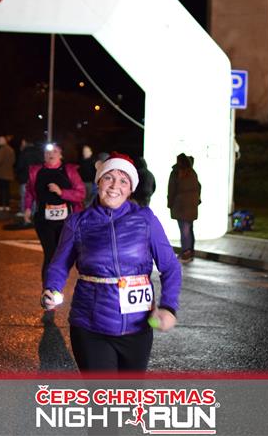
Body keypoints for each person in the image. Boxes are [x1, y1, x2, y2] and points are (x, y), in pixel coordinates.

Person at [42, 152, 181, 371]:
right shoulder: (77, 222)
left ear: (131, 189)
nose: (115, 185)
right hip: (90, 327)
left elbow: (170, 266)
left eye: (124, 181)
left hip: (137, 328)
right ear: (98, 181)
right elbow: (59, 264)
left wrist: (169, 307)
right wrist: (51, 289)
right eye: (108, 177)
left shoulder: (145, 219)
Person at [24, 143, 85, 283]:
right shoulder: (36, 171)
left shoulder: (69, 171)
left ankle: (57, 284)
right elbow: (29, 191)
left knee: (62, 255)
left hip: (66, 222)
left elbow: (81, 194)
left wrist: (61, 192)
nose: (51, 154)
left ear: (61, 155)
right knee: (50, 254)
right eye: (48, 152)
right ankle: (48, 289)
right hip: (44, 221)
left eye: (55, 151)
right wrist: (27, 208)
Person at [167, 153, 201, 264]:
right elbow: (198, 187)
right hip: (192, 205)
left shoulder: (176, 173)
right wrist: (197, 200)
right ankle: (190, 251)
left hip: (181, 205)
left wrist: (170, 203)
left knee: (184, 230)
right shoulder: (192, 173)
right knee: (189, 229)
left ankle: (185, 252)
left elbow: (171, 189)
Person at [14, 138, 43, 217]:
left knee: (25, 195)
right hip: (36, 178)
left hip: (25, 177)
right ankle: (34, 211)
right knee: (34, 195)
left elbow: (20, 165)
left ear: (24, 142)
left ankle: (24, 211)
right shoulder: (39, 152)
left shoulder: (24, 152)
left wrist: (17, 173)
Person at [0, 135, 15, 211]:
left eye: (0, 140)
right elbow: (13, 161)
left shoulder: (2, 149)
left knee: (1, 190)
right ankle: (7, 205)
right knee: (7, 190)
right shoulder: (11, 150)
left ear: (4, 141)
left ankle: (1, 205)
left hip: (2, 174)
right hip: (9, 173)